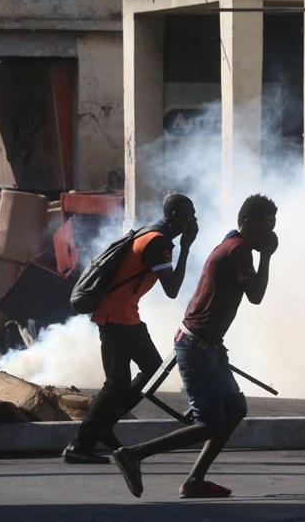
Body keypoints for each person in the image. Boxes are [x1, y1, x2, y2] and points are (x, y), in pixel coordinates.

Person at [113, 194, 279, 499]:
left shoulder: (232, 241)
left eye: (273, 226)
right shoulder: (240, 249)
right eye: (266, 226)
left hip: (208, 346)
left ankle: (194, 480)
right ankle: (134, 454)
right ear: (248, 224)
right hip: (197, 345)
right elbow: (256, 296)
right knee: (209, 423)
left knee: (234, 409)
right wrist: (267, 256)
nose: (271, 234)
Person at [62, 193, 198, 464]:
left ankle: (102, 429)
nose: (194, 220)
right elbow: (172, 290)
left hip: (125, 315)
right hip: (116, 317)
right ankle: (81, 444)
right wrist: (186, 248)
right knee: (117, 383)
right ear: (174, 217)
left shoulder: (151, 232)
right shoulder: (158, 242)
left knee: (149, 371)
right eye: (189, 215)